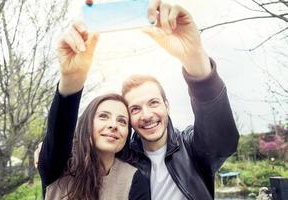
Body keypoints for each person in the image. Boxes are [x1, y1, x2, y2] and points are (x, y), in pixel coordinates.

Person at [38, 0, 239, 199]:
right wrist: (47, 148)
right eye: (134, 109)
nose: (146, 115)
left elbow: (222, 138)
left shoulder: (192, 148)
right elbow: (75, 145)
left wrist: (194, 57)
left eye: (153, 103)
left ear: (166, 105)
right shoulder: (122, 155)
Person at [38, 22, 150, 200]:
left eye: (122, 121)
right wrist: (72, 79)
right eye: (104, 116)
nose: (113, 125)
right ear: (87, 124)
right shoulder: (59, 165)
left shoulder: (135, 179)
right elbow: (59, 132)